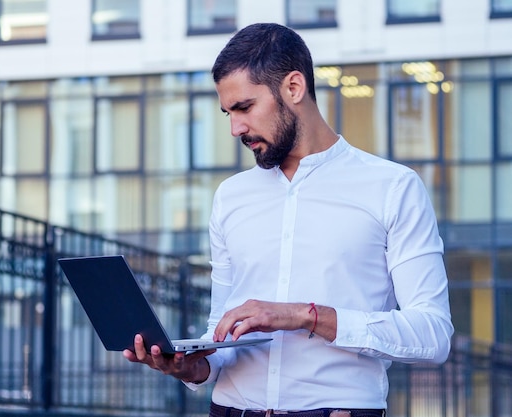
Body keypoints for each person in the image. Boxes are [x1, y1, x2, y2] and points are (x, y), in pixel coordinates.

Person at [123, 22, 454, 417]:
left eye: (244, 108)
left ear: (294, 88)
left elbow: (433, 334)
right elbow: (221, 331)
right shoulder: (231, 197)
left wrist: (303, 316)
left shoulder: (393, 188)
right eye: (228, 113)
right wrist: (194, 366)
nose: (235, 128)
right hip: (230, 410)